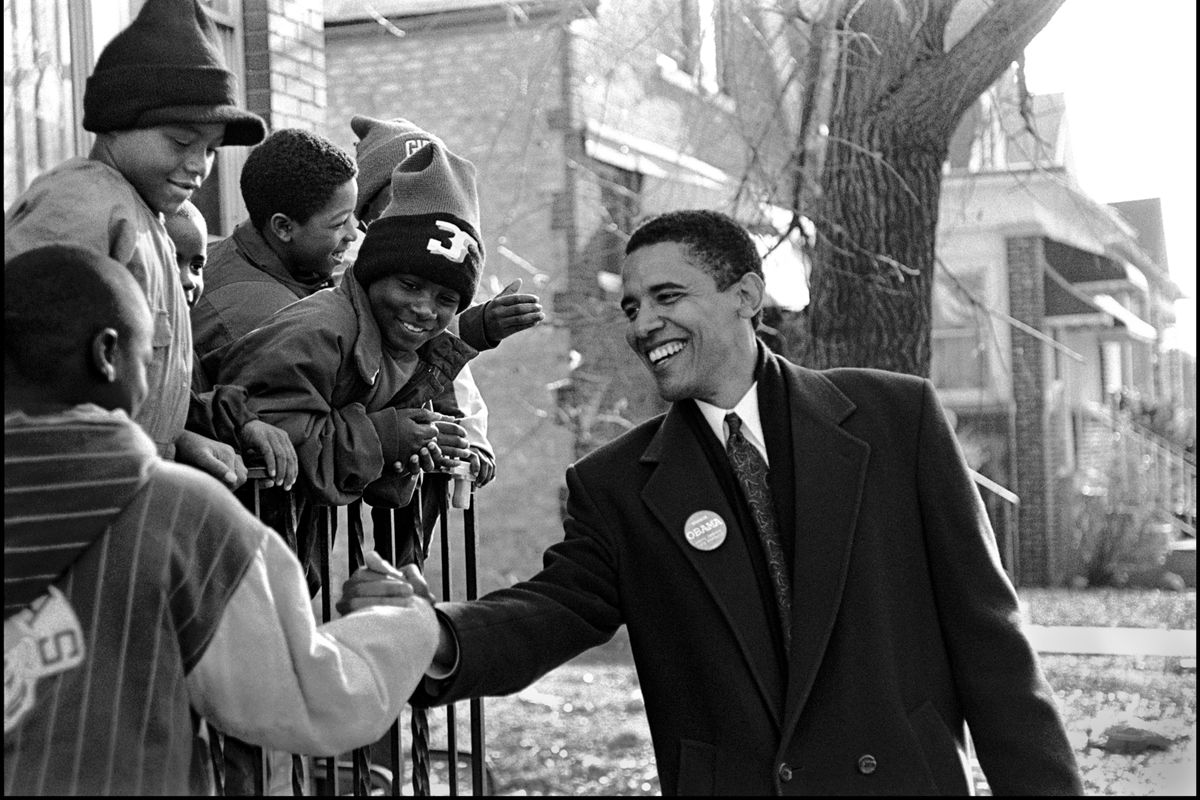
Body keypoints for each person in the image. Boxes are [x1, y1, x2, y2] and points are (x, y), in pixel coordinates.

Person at [344, 209, 1084, 795]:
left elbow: (993, 650)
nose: (643, 325)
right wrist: (434, 635)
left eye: (668, 297)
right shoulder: (618, 486)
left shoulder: (897, 421)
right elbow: (551, 612)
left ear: (746, 298)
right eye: (632, 307)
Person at [3, 244, 439, 796]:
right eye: (155, 354)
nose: (160, 374)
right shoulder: (185, 517)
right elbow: (308, 699)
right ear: (108, 353)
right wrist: (402, 622)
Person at [4, 0, 259, 491]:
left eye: (210, 148)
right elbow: (33, 366)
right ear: (117, 122)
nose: (201, 165)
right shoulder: (81, 203)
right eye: (180, 141)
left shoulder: (147, 218)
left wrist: (180, 438)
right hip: (64, 496)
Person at [210, 138, 489, 529]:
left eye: (446, 298)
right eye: (340, 222)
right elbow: (282, 443)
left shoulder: (353, 315)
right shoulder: (299, 323)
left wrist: (412, 442)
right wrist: (389, 435)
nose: (354, 234)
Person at [166, 200, 298, 492]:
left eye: (197, 266)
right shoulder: (129, 341)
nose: (188, 280)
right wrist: (184, 441)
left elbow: (187, 404)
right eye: (170, 260)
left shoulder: (177, 336)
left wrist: (244, 423)